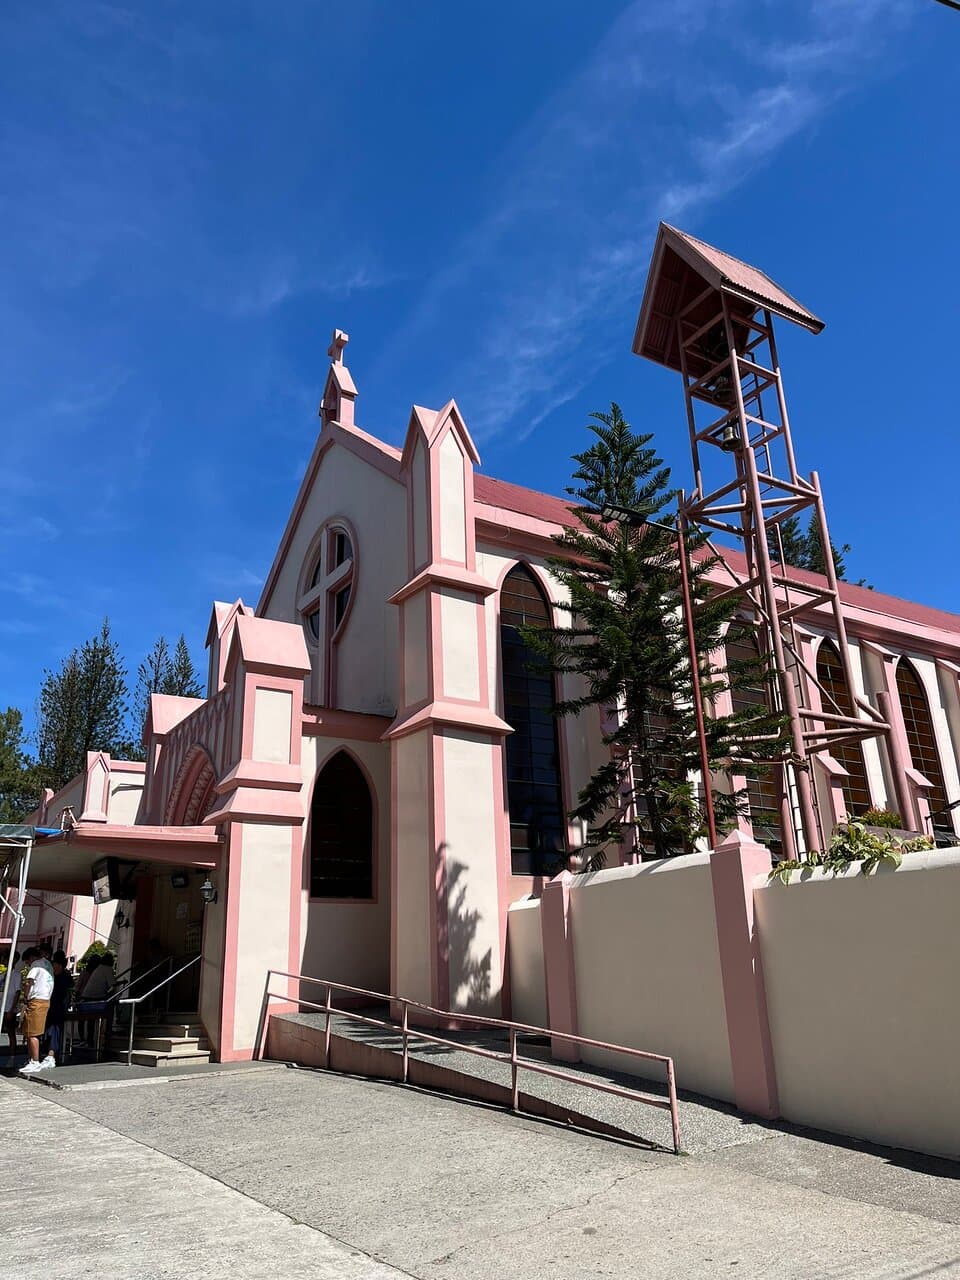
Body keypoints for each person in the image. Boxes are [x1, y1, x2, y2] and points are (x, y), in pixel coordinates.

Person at [19, 948, 55, 1074]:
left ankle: (34, 1061)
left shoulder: (36, 965)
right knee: (34, 1031)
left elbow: (28, 982)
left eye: (27, 962)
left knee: (31, 1032)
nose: (28, 965)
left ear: (31, 958)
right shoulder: (48, 964)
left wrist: (25, 997)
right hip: (45, 999)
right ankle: (33, 1060)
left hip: (36, 1000)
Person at [40, 951, 74, 1070]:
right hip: (52, 1007)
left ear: (59, 965)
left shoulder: (62, 978)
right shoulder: (62, 976)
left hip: (57, 1008)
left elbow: (63, 995)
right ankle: (47, 1054)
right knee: (49, 1030)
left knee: (54, 1030)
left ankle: (51, 1055)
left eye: (55, 964)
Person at [3, 951, 24, 1069]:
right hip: (2, 1007)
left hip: (9, 1008)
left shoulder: (16, 975)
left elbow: (17, 992)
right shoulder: (3, 975)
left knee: (11, 1033)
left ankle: (12, 1057)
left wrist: (12, 1009)